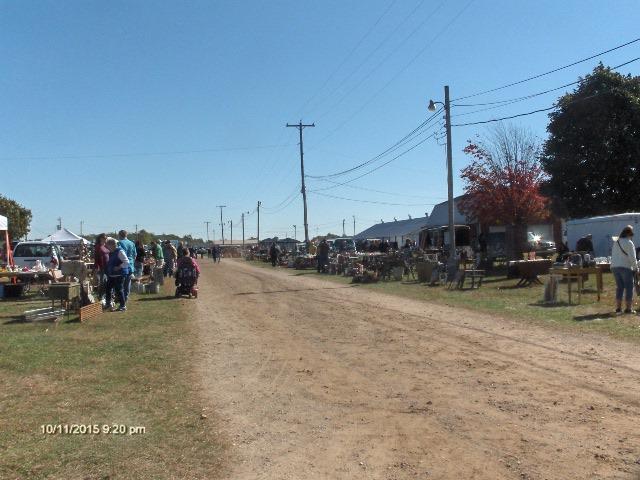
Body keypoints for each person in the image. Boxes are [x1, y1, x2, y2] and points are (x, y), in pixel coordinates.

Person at [611, 225, 637, 315]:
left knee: (619, 287)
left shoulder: (616, 242)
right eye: (632, 234)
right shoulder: (629, 243)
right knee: (629, 287)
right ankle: (628, 309)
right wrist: (636, 268)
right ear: (629, 234)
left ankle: (618, 308)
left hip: (614, 266)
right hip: (625, 267)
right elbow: (632, 258)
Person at [104, 237, 130, 312]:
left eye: (107, 245)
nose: (107, 247)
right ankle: (108, 304)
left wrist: (119, 267)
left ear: (112, 245)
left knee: (119, 290)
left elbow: (126, 262)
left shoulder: (120, 251)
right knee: (108, 289)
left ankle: (123, 306)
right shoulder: (111, 252)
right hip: (112, 275)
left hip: (119, 275)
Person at [117, 230, 137, 304]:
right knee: (127, 283)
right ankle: (126, 297)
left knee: (121, 283)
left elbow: (119, 254)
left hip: (123, 265)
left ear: (120, 235)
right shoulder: (132, 243)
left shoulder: (120, 243)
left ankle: (121, 299)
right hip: (131, 265)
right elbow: (135, 255)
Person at [93, 233, 110, 300]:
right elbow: (96, 258)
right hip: (101, 267)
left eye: (106, 238)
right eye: (105, 238)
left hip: (107, 267)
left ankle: (104, 295)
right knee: (102, 282)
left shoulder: (105, 246)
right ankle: (100, 296)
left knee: (106, 282)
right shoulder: (98, 246)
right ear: (101, 238)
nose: (106, 239)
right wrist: (96, 268)